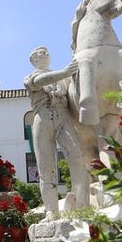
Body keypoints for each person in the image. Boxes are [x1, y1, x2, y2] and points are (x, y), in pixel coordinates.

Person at [24, 46, 82, 218]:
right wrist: (65, 72)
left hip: (63, 118)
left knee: (77, 156)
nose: (46, 54)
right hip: (42, 119)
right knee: (46, 167)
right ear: (33, 59)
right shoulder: (31, 77)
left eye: (47, 52)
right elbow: (40, 81)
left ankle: (80, 202)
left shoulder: (63, 78)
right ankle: (51, 210)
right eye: (41, 53)